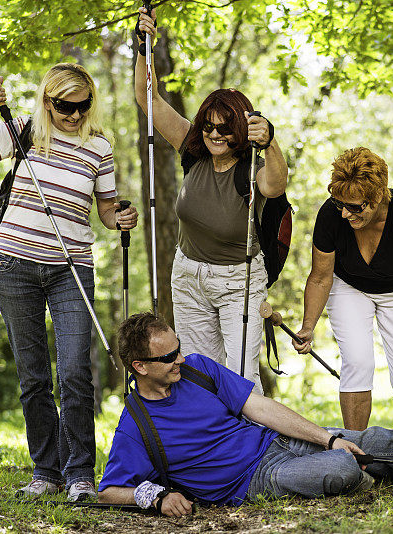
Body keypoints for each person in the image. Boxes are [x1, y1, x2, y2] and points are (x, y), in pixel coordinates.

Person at [98, 312, 393, 516]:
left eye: (178, 348)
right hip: (254, 483)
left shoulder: (197, 370)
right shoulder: (135, 426)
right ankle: (370, 466)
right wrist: (154, 498)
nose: (180, 358)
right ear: (140, 367)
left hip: (276, 444)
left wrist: (325, 436)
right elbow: (109, 490)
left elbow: (263, 408)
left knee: (378, 439)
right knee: (343, 467)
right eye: (168, 356)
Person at [0, 64, 138, 501]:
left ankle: (80, 475)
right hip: (15, 267)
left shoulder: (98, 147)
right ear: (47, 101)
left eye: (81, 105)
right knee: (33, 377)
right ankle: (45, 472)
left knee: (74, 371)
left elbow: (105, 210)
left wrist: (120, 217)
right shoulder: (24, 131)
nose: (73, 115)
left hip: (71, 269)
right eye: (65, 106)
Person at [134, 8, 289, 391]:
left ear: (241, 130)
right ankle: (214, 446)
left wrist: (269, 142)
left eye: (225, 128)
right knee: (199, 373)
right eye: (209, 126)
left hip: (240, 280)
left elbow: (274, 185)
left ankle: (252, 445)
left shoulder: (250, 165)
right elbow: (146, 96)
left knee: (239, 378)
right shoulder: (192, 148)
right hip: (188, 275)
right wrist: (143, 48)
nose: (214, 134)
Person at [291, 147, 393, 431]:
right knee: (357, 364)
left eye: (354, 207)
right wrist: (308, 326)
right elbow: (319, 277)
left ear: (377, 197)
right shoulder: (331, 214)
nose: (344, 214)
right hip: (350, 287)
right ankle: (355, 454)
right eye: (340, 204)